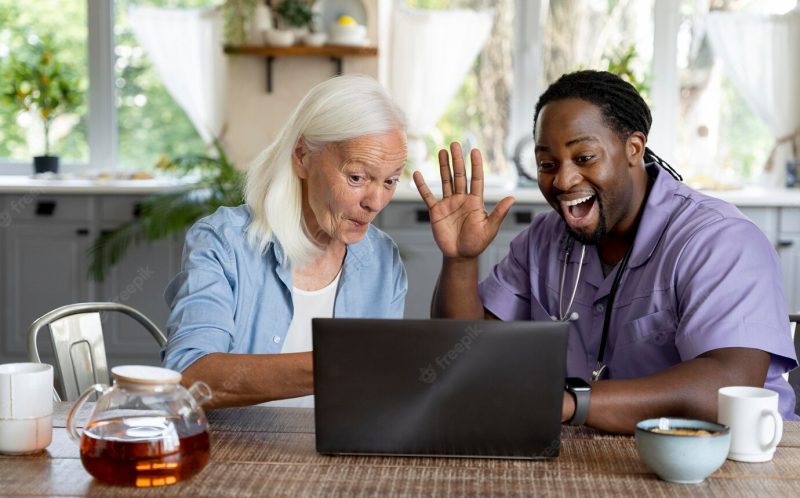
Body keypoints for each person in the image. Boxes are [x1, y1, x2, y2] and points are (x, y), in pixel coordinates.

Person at [414, 70, 798, 434]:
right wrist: (460, 261)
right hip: (590, 454)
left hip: (740, 463)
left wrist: (569, 403)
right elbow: (465, 353)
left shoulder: (718, 240)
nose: (563, 180)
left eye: (584, 158)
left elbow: (727, 385)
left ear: (634, 148)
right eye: (547, 164)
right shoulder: (544, 238)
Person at [162, 75, 408, 409]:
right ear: (303, 156)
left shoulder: (381, 258)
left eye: (390, 180)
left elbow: (379, 397)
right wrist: (345, 362)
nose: (376, 202)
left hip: (342, 455)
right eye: (357, 177)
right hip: (235, 455)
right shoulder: (224, 242)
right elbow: (190, 377)